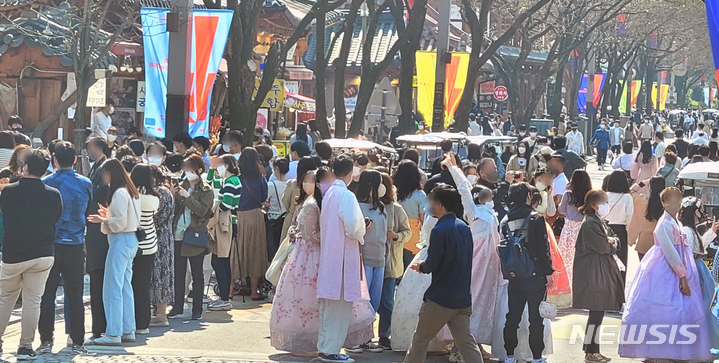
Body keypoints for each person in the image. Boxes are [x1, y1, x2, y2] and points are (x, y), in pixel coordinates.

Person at [270, 169, 374, 355]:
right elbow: (311, 234)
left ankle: (322, 345)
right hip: (312, 257)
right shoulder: (314, 204)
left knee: (322, 305)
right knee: (315, 302)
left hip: (319, 255)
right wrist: (335, 235)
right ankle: (320, 346)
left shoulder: (322, 201)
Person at [619, 188, 711, 362]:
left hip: (678, 267)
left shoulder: (675, 222)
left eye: (678, 200)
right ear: (664, 202)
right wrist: (682, 275)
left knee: (679, 310)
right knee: (665, 309)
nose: (676, 203)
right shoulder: (664, 223)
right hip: (664, 270)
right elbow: (669, 251)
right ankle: (660, 351)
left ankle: (675, 350)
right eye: (672, 200)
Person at [403, 183, 483, 363]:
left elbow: (432, 264)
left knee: (420, 339)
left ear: (440, 204)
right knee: (466, 342)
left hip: (440, 298)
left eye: (431, 200)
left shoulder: (439, 230)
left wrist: (421, 266)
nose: (429, 204)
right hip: (462, 297)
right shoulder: (464, 227)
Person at [0, 149, 60, 359]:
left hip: (14, 252)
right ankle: (26, 346)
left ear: (25, 167)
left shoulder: (8, 191)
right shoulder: (53, 194)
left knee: (6, 299)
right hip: (42, 253)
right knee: (33, 301)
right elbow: (56, 217)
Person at [35, 142, 91, 354]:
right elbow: (88, 210)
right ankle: (77, 340)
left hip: (51, 244)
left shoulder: (46, 183)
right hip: (76, 243)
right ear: (75, 159)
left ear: (54, 160)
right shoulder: (85, 183)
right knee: (75, 294)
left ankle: (46, 339)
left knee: (46, 294)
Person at [316, 154, 371, 363]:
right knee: (339, 307)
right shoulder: (345, 195)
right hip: (342, 257)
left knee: (329, 307)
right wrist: (362, 231)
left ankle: (325, 348)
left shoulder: (330, 193)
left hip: (330, 256)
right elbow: (354, 226)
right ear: (351, 172)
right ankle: (330, 351)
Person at [447, 156, 504, 357]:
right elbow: (463, 188)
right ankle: (458, 348)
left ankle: (476, 344)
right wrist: (454, 168)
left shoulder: (491, 214)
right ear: (478, 198)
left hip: (491, 264)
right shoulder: (473, 212)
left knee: (485, 304)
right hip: (476, 262)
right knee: (471, 302)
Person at [86, 158, 142, 346]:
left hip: (120, 239)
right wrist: (107, 216)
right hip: (131, 240)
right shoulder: (131, 191)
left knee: (112, 287)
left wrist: (103, 220)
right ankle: (128, 329)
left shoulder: (118, 192)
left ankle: (113, 333)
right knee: (125, 286)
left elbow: (119, 223)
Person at [502, 183, 554, 363]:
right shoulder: (535, 218)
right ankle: (537, 357)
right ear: (528, 197)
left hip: (514, 275)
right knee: (535, 320)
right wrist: (548, 272)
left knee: (512, 318)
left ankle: (509, 356)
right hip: (534, 275)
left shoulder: (505, 219)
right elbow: (543, 248)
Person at [573, 190, 625, 363]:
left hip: (600, 271)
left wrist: (613, 241)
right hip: (593, 274)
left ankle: (593, 350)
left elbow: (615, 239)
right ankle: (591, 351)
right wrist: (612, 242)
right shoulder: (590, 224)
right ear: (594, 205)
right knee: (596, 313)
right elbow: (604, 246)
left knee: (598, 313)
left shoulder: (598, 221)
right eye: (604, 202)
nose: (606, 205)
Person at [168, 154, 213, 320]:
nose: (187, 172)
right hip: (178, 232)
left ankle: (197, 309)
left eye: (190, 168)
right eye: (185, 168)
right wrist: (174, 195)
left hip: (195, 234)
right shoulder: (180, 185)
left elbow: (202, 210)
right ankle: (177, 306)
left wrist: (188, 197)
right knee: (178, 273)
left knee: (197, 272)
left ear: (199, 170)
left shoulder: (206, 190)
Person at [349, 170, 387, 353]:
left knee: (374, 302)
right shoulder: (357, 206)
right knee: (361, 301)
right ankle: (355, 339)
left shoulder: (381, 207)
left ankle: (367, 338)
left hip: (380, 258)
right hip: (363, 257)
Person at [678, 197, 719, 351]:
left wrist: (711, 232)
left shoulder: (688, 228)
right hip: (695, 268)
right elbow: (696, 249)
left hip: (697, 267)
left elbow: (699, 246)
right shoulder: (688, 230)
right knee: (702, 304)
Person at [376, 173, 411, 351]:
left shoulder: (396, 209)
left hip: (390, 262)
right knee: (369, 300)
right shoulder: (368, 207)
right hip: (371, 260)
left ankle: (384, 334)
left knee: (387, 301)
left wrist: (396, 236)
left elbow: (408, 232)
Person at [231, 148, 269, 301]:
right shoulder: (260, 178)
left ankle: (230, 290)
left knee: (236, 251)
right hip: (255, 216)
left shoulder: (235, 179)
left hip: (237, 216)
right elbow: (263, 197)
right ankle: (254, 291)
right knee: (255, 252)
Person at [127, 164, 160, 334]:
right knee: (143, 285)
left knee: (129, 284)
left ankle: (130, 320)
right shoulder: (154, 198)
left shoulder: (131, 197)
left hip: (132, 243)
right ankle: (143, 323)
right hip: (150, 245)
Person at [84, 138, 110, 340]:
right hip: (95, 226)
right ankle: (98, 326)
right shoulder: (95, 168)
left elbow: (98, 195)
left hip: (99, 226)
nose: (89, 151)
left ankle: (101, 327)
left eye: (91, 147)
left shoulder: (104, 168)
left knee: (100, 278)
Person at [148, 166, 175, 327]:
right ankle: (159, 312)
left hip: (159, 236)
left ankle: (160, 314)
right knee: (163, 273)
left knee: (160, 274)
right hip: (166, 236)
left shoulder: (160, 193)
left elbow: (157, 216)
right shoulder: (167, 192)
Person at [557, 169, 592, 286]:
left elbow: (561, 210)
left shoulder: (568, 194)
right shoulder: (590, 195)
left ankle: (567, 285)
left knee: (566, 259)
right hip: (583, 229)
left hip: (569, 229)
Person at [393, 160, 426, 269]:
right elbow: (423, 218)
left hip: (394, 231)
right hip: (412, 236)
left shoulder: (393, 192)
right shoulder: (420, 195)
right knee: (409, 268)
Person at [603, 171, 633, 284]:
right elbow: (629, 216)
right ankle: (619, 290)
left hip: (605, 228)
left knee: (606, 259)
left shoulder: (605, 195)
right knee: (620, 260)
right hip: (620, 230)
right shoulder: (627, 197)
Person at [280, 157, 318, 243]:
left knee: (287, 249)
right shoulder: (317, 185)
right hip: (311, 223)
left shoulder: (292, 184)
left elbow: (285, 202)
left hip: (291, 220)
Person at [628, 177, 665, 260]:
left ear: (650, 187)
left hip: (644, 241)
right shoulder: (666, 204)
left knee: (644, 269)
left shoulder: (643, 200)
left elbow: (631, 192)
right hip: (661, 241)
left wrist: (642, 183)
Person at [266, 158, 289, 261]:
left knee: (273, 249)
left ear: (277, 169)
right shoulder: (290, 184)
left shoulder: (271, 185)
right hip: (286, 219)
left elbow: (265, 201)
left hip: (273, 219)